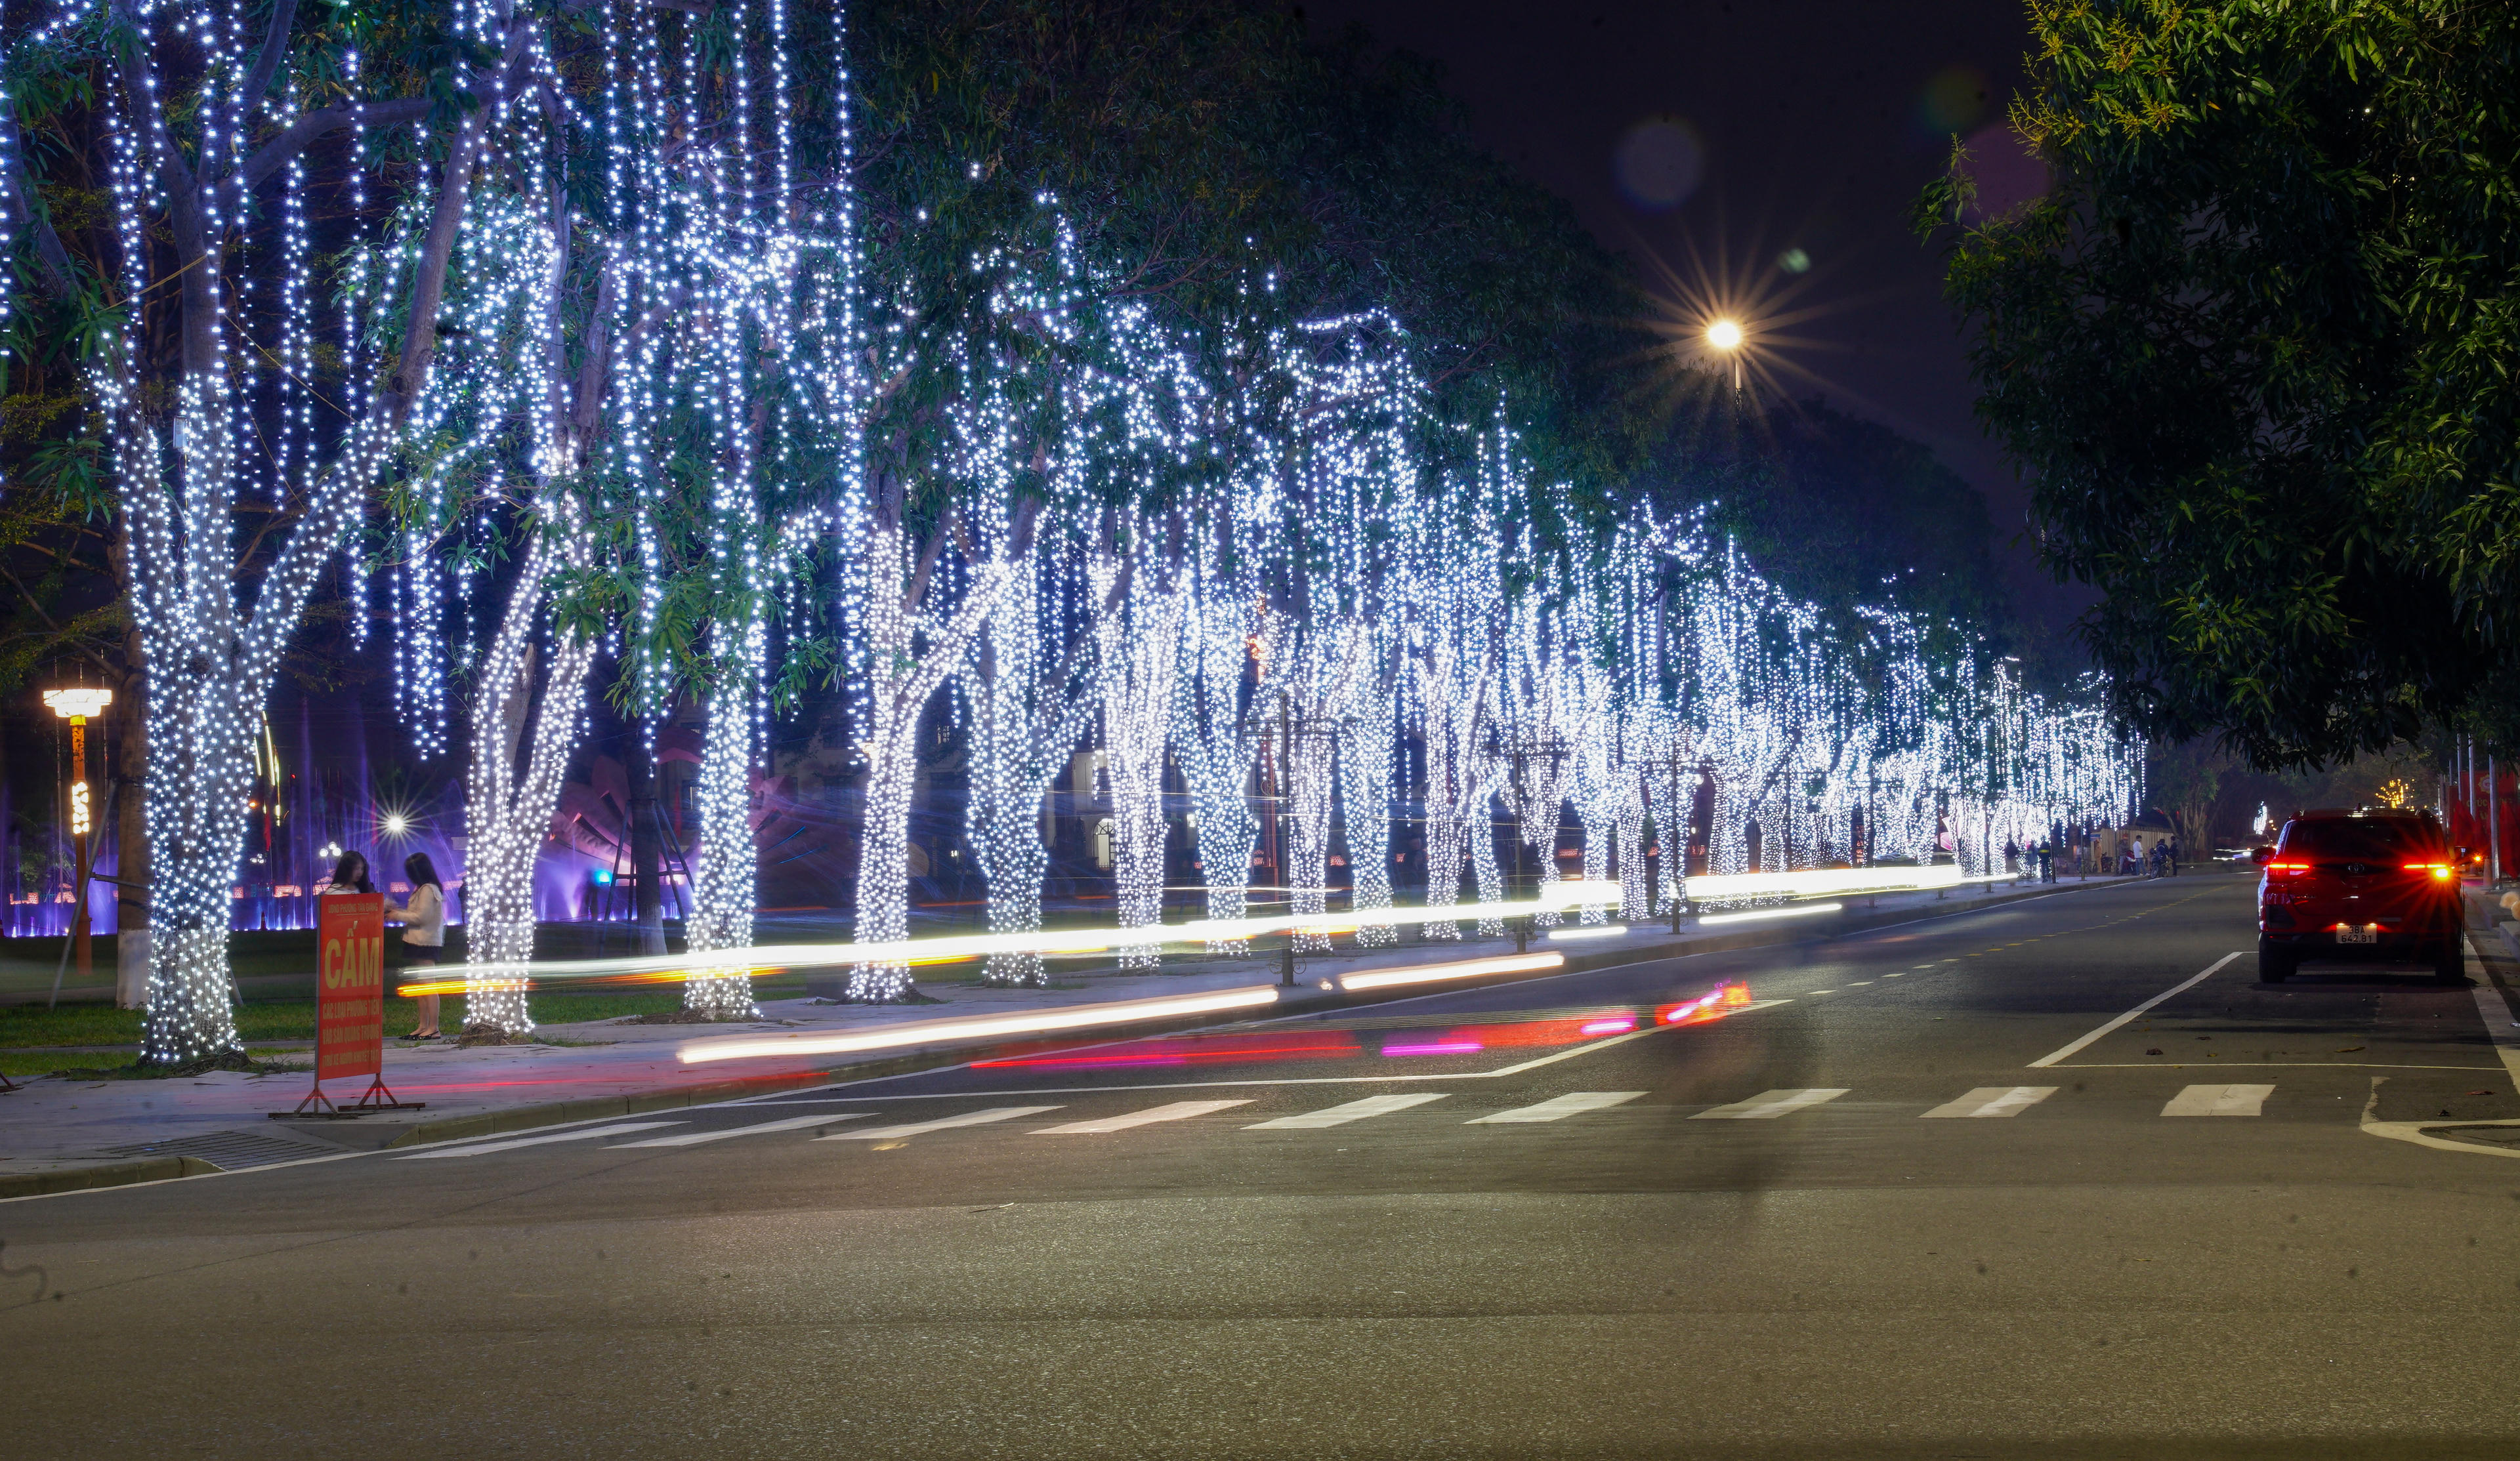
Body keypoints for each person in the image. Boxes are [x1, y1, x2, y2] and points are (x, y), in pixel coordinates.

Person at [386, 853, 448, 1040]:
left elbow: (421, 917)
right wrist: (398, 912)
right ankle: (423, 1026)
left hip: (425, 942)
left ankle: (433, 1027)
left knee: (428, 985)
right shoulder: (423, 889)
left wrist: (397, 915)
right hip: (418, 940)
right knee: (422, 986)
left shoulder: (428, 890)